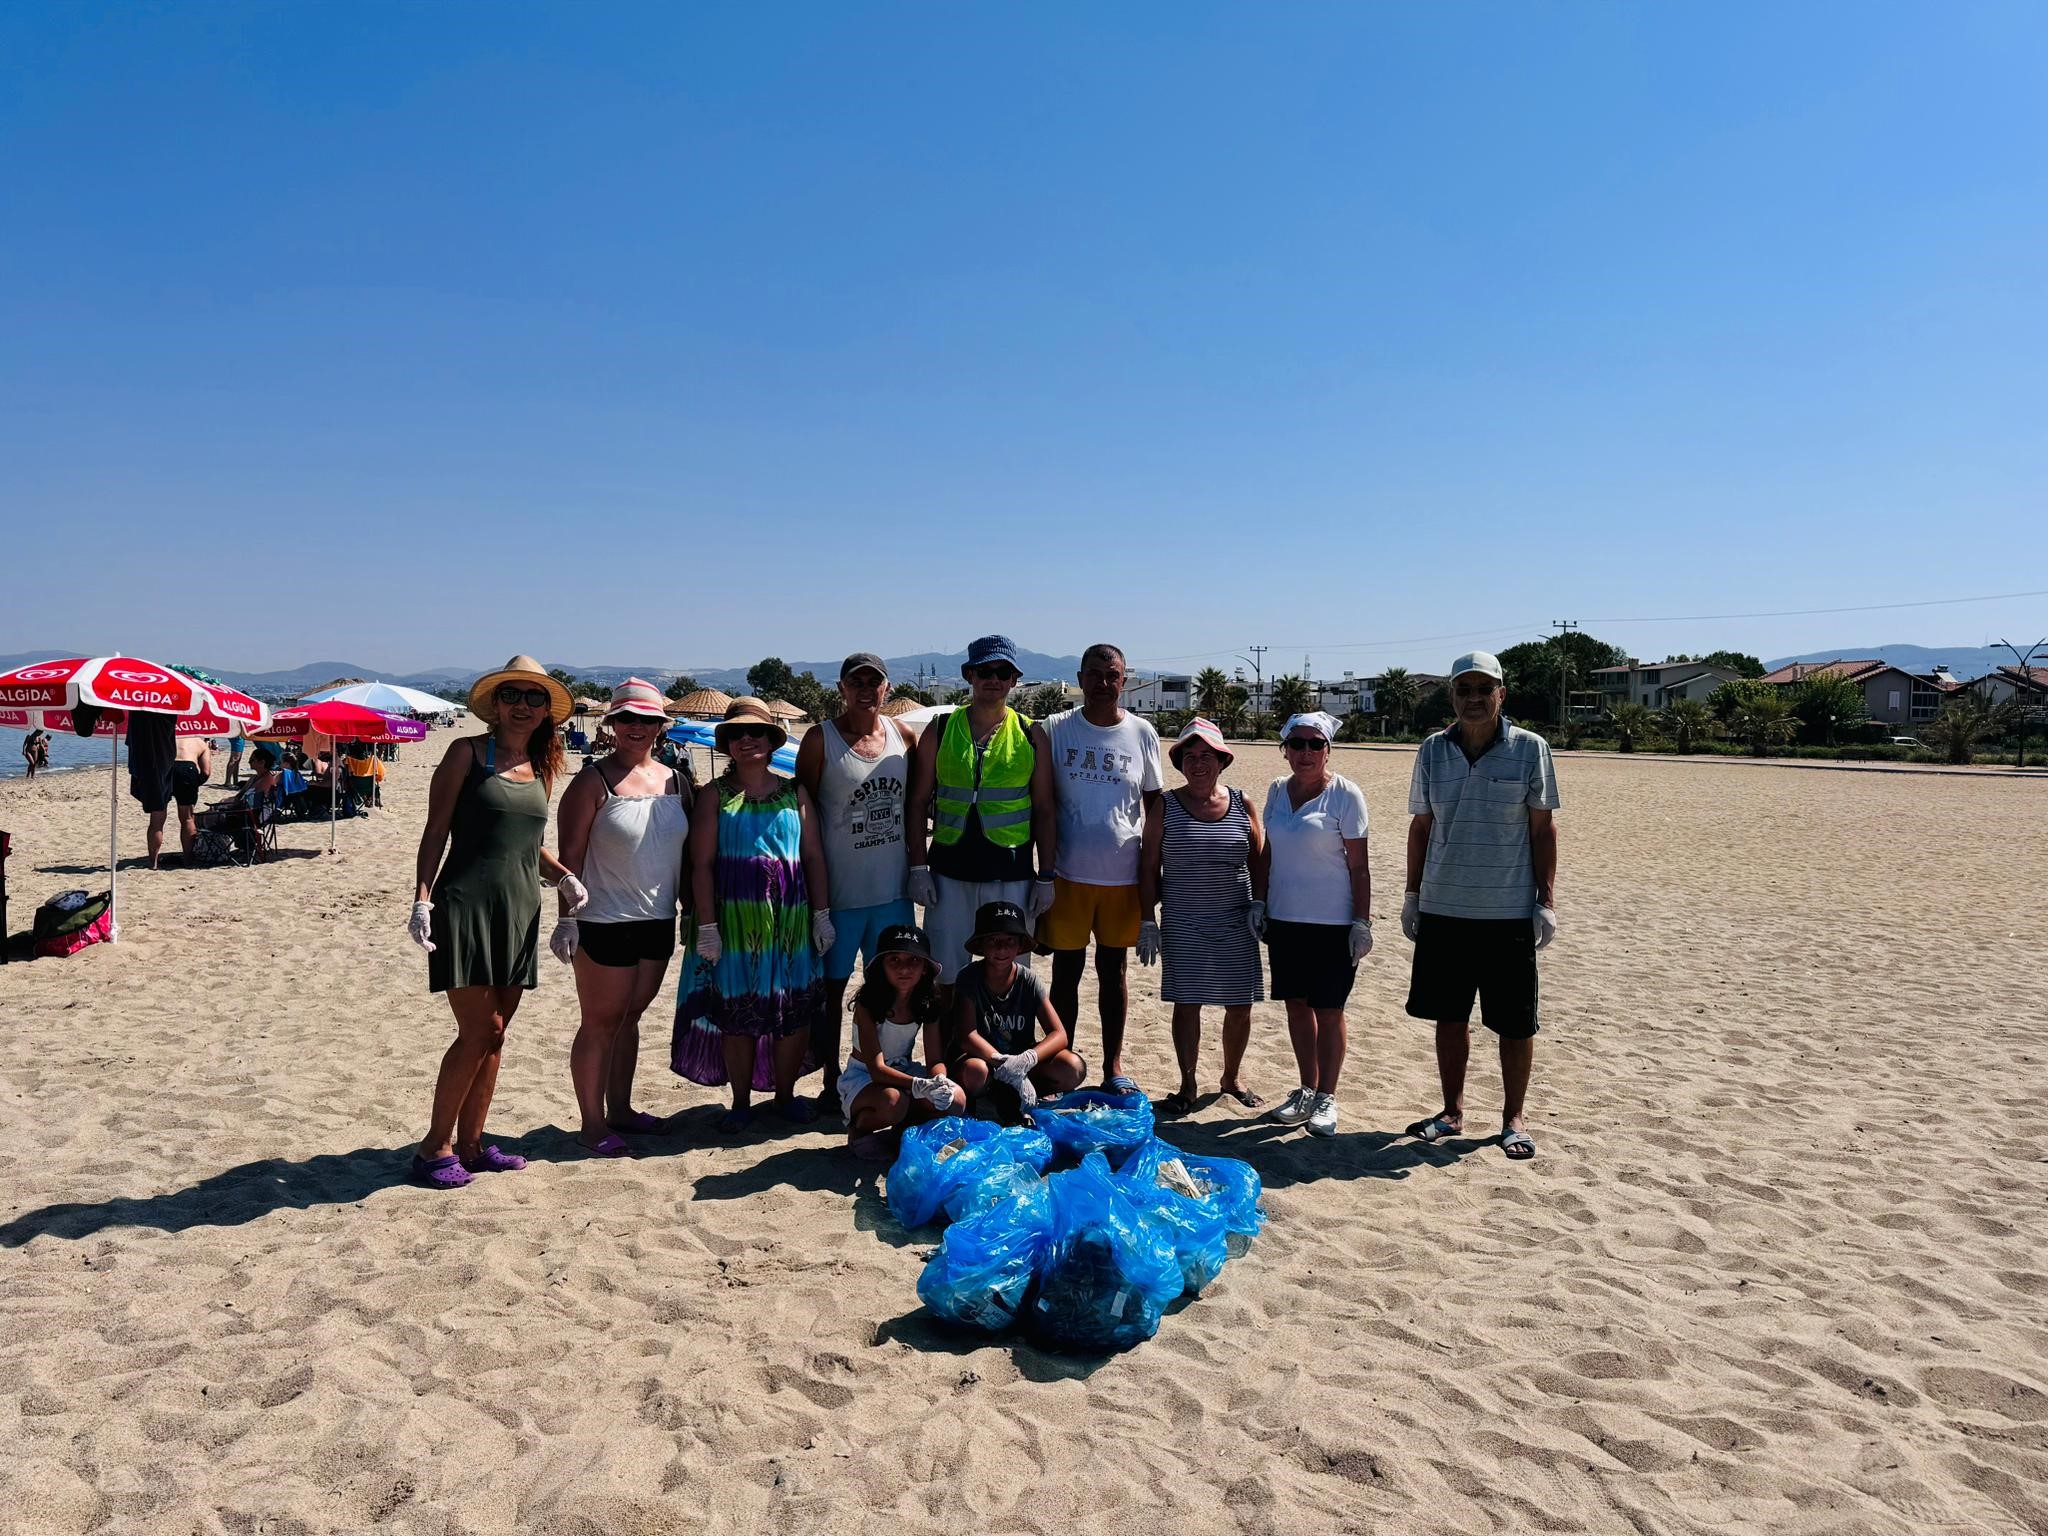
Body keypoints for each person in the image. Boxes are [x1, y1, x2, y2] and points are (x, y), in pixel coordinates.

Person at [407, 655, 586, 1190]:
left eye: (534, 698)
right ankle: (433, 1147)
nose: (523, 706)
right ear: (496, 705)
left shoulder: (541, 765)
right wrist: (420, 898)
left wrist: (564, 878)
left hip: (518, 907)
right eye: (513, 696)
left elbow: (529, 845)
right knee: (478, 1030)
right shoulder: (466, 754)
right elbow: (436, 831)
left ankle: (472, 1144)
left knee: (497, 1036)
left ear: (546, 711)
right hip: (465, 904)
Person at [1399, 651, 1559, 1162]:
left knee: (1515, 1024)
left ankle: (1514, 1118)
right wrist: (1412, 895)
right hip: (1445, 908)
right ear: (1452, 696)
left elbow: (1542, 827)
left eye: (1482, 689)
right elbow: (1422, 826)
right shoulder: (1431, 750)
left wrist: (1545, 900)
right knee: (1450, 1016)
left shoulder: (1531, 749)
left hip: (1507, 911)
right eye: (1463, 689)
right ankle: (1451, 1111)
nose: (1473, 698)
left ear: (1500, 695)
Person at [672, 696, 831, 1132]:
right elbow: (700, 864)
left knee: (792, 1011)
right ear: (726, 744)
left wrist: (821, 914)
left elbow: (813, 856)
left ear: (771, 740)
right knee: (737, 1014)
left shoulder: (794, 792)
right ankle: (740, 1102)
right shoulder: (714, 796)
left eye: (756, 732)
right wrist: (706, 926)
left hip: (792, 922)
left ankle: (784, 1096)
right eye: (737, 734)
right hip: (734, 925)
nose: (747, 740)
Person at [551, 679, 691, 1157]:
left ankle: (621, 1109)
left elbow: (689, 856)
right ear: (612, 725)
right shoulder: (592, 782)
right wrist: (566, 920)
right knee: (600, 1022)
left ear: (660, 726)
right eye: (628, 719)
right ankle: (592, 1123)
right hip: (603, 919)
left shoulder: (677, 780)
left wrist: (696, 915)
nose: (638, 728)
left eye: (647, 720)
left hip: (657, 918)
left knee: (631, 1017)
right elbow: (568, 859)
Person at [1030, 642, 1163, 1092]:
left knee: (1114, 972)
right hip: (1067, 874)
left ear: (1124, 680)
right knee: (1065, 974)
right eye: (1095, 674)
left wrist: (1153, 874)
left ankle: (1114, 1065)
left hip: (1122, 877)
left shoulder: (1142, 732)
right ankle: (1061, 1058)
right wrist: (1042, 873)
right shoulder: (1055, 728)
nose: (1104, 684)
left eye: (1113, 676)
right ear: (1080, 678)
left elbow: (1154, 807)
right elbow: (1039, 800)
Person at [795, 651, 918, 1114]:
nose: (866, 689)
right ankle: (831, 1082)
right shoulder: (819, 740)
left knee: (890, 991)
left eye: (875, 682)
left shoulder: (903, 736)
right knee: (831, 992)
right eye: (856, 682)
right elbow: (804, 807)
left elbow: (915, 807)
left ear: (887, 688)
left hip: (893, 892)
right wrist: (816, 900)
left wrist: (919, 869)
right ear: (842, 688)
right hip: (841, 894)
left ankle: (881, 1072)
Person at [905, 635, 1048, 991]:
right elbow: (918, 801)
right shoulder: (940, 730)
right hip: (949, 874)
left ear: (1014, 680)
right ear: (969, 675)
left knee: (1008, 977)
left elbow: (1045, 809)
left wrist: (1046, 876)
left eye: (1003, 672)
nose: (993, 679)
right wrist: (918, 868)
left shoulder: (1031, 734)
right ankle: (951, 1048)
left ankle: (999, 1048)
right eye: (985, 670)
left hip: (1011, 874)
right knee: (944, 975)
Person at [1139, 717, 1266, 1115]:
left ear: (1222, 760)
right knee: (1187, 1002)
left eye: (1206, 756)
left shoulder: (1243, 802)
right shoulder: (1166, 805)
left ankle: (1231, 1077)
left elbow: (1260, 859)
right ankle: (1188, 1081)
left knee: (1240, 1004)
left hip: (1236, 918)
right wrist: (1148, 920)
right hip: (1184, 920)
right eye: (1189, 756)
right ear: (1180, 763)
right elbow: (1148, 867)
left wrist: (1260, 903)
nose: (1198, 763)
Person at [1258, 710, 1372, 1138]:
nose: (1305, 753)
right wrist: (1259, 901)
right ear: (1285, 749)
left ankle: (1327, 1095)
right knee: (1296, 1007)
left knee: (1329, 1010)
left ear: (1328, 750)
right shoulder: (1275, 791)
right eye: (1297, 744)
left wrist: (1361, 921)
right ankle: (1306, 1088)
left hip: (1332, 922)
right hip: (1285, 919)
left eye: (1315, 744)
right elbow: (1268, 853)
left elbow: (1359, 867)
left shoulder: (1346, 795)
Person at [949, 901, 1086, 1115]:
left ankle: (1031, 1094)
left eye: (1010, 941)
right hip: (984, 1060)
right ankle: (990, 1097)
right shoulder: (969, 977)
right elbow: (967, 1036)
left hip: (1021, 1061)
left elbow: (1059, 1034)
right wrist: (1000, 1061)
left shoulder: (1028, 979)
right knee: (975, 1072)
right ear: (981, 945)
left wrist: (1027, 1059)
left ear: (1020, 945)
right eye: (993, 940)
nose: (1002, 948)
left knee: (1072, 1067)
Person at [838, 923, 961, 1157]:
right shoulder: (868, 1005)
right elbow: (876, 1069)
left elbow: (935, 1058)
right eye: (894, 960)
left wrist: (939, 1079)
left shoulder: (927, 1002)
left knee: (957, 1099)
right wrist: (918, 1084)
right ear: (881, 966)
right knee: (893, 1102)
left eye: (913, 960)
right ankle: (858, 1128)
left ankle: (902, 1131)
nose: (904, 968)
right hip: (865, 1077)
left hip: (903, 1071)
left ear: (925, 967)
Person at [124, 710, 178, 869]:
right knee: (161, 816)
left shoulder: (138, 713)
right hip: (163, 763)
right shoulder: (167, 712)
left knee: (157, 818)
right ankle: (156, 862)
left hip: (149, 764)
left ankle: (153, 861)